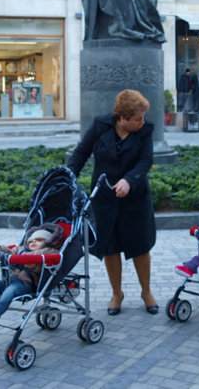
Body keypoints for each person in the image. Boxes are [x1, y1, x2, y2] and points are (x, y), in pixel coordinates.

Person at [67, 89, 159, 316]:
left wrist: (129, 180)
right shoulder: (100, 126)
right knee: (110, 247)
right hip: (105, 199)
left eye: (143, 117)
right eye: (138, 119)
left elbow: (146, 161)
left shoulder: (145, 131)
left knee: (140, 247)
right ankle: (116, 294)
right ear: (122, 118)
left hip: (135, 198)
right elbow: (81, 153)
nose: (142, 121)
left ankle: (146, 292)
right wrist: (66, 179)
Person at [0, 224, 64, 324]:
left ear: (48, 242)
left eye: (39, 240)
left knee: (11, 290)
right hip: (10, 280)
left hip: (26, 284)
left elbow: (41, 254)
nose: (34, 242)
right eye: (31, 240)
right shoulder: (21, 249)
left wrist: (22, 257)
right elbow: (10, 251)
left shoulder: (48, 251)